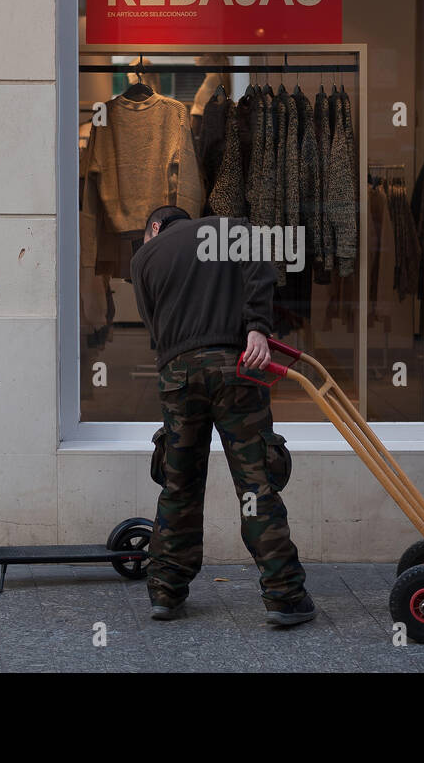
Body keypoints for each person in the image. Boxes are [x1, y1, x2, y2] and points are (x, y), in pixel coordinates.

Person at [130, 204, 314, 625]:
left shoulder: (144, 257)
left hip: (177, 374)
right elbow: (260, 264)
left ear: (154, 228)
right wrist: (256, 327)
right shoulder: (227, 229)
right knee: (254, 484)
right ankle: (284, 596)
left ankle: (166, 592)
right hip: (237, 367)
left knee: (179, 484)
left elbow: (153, 328)